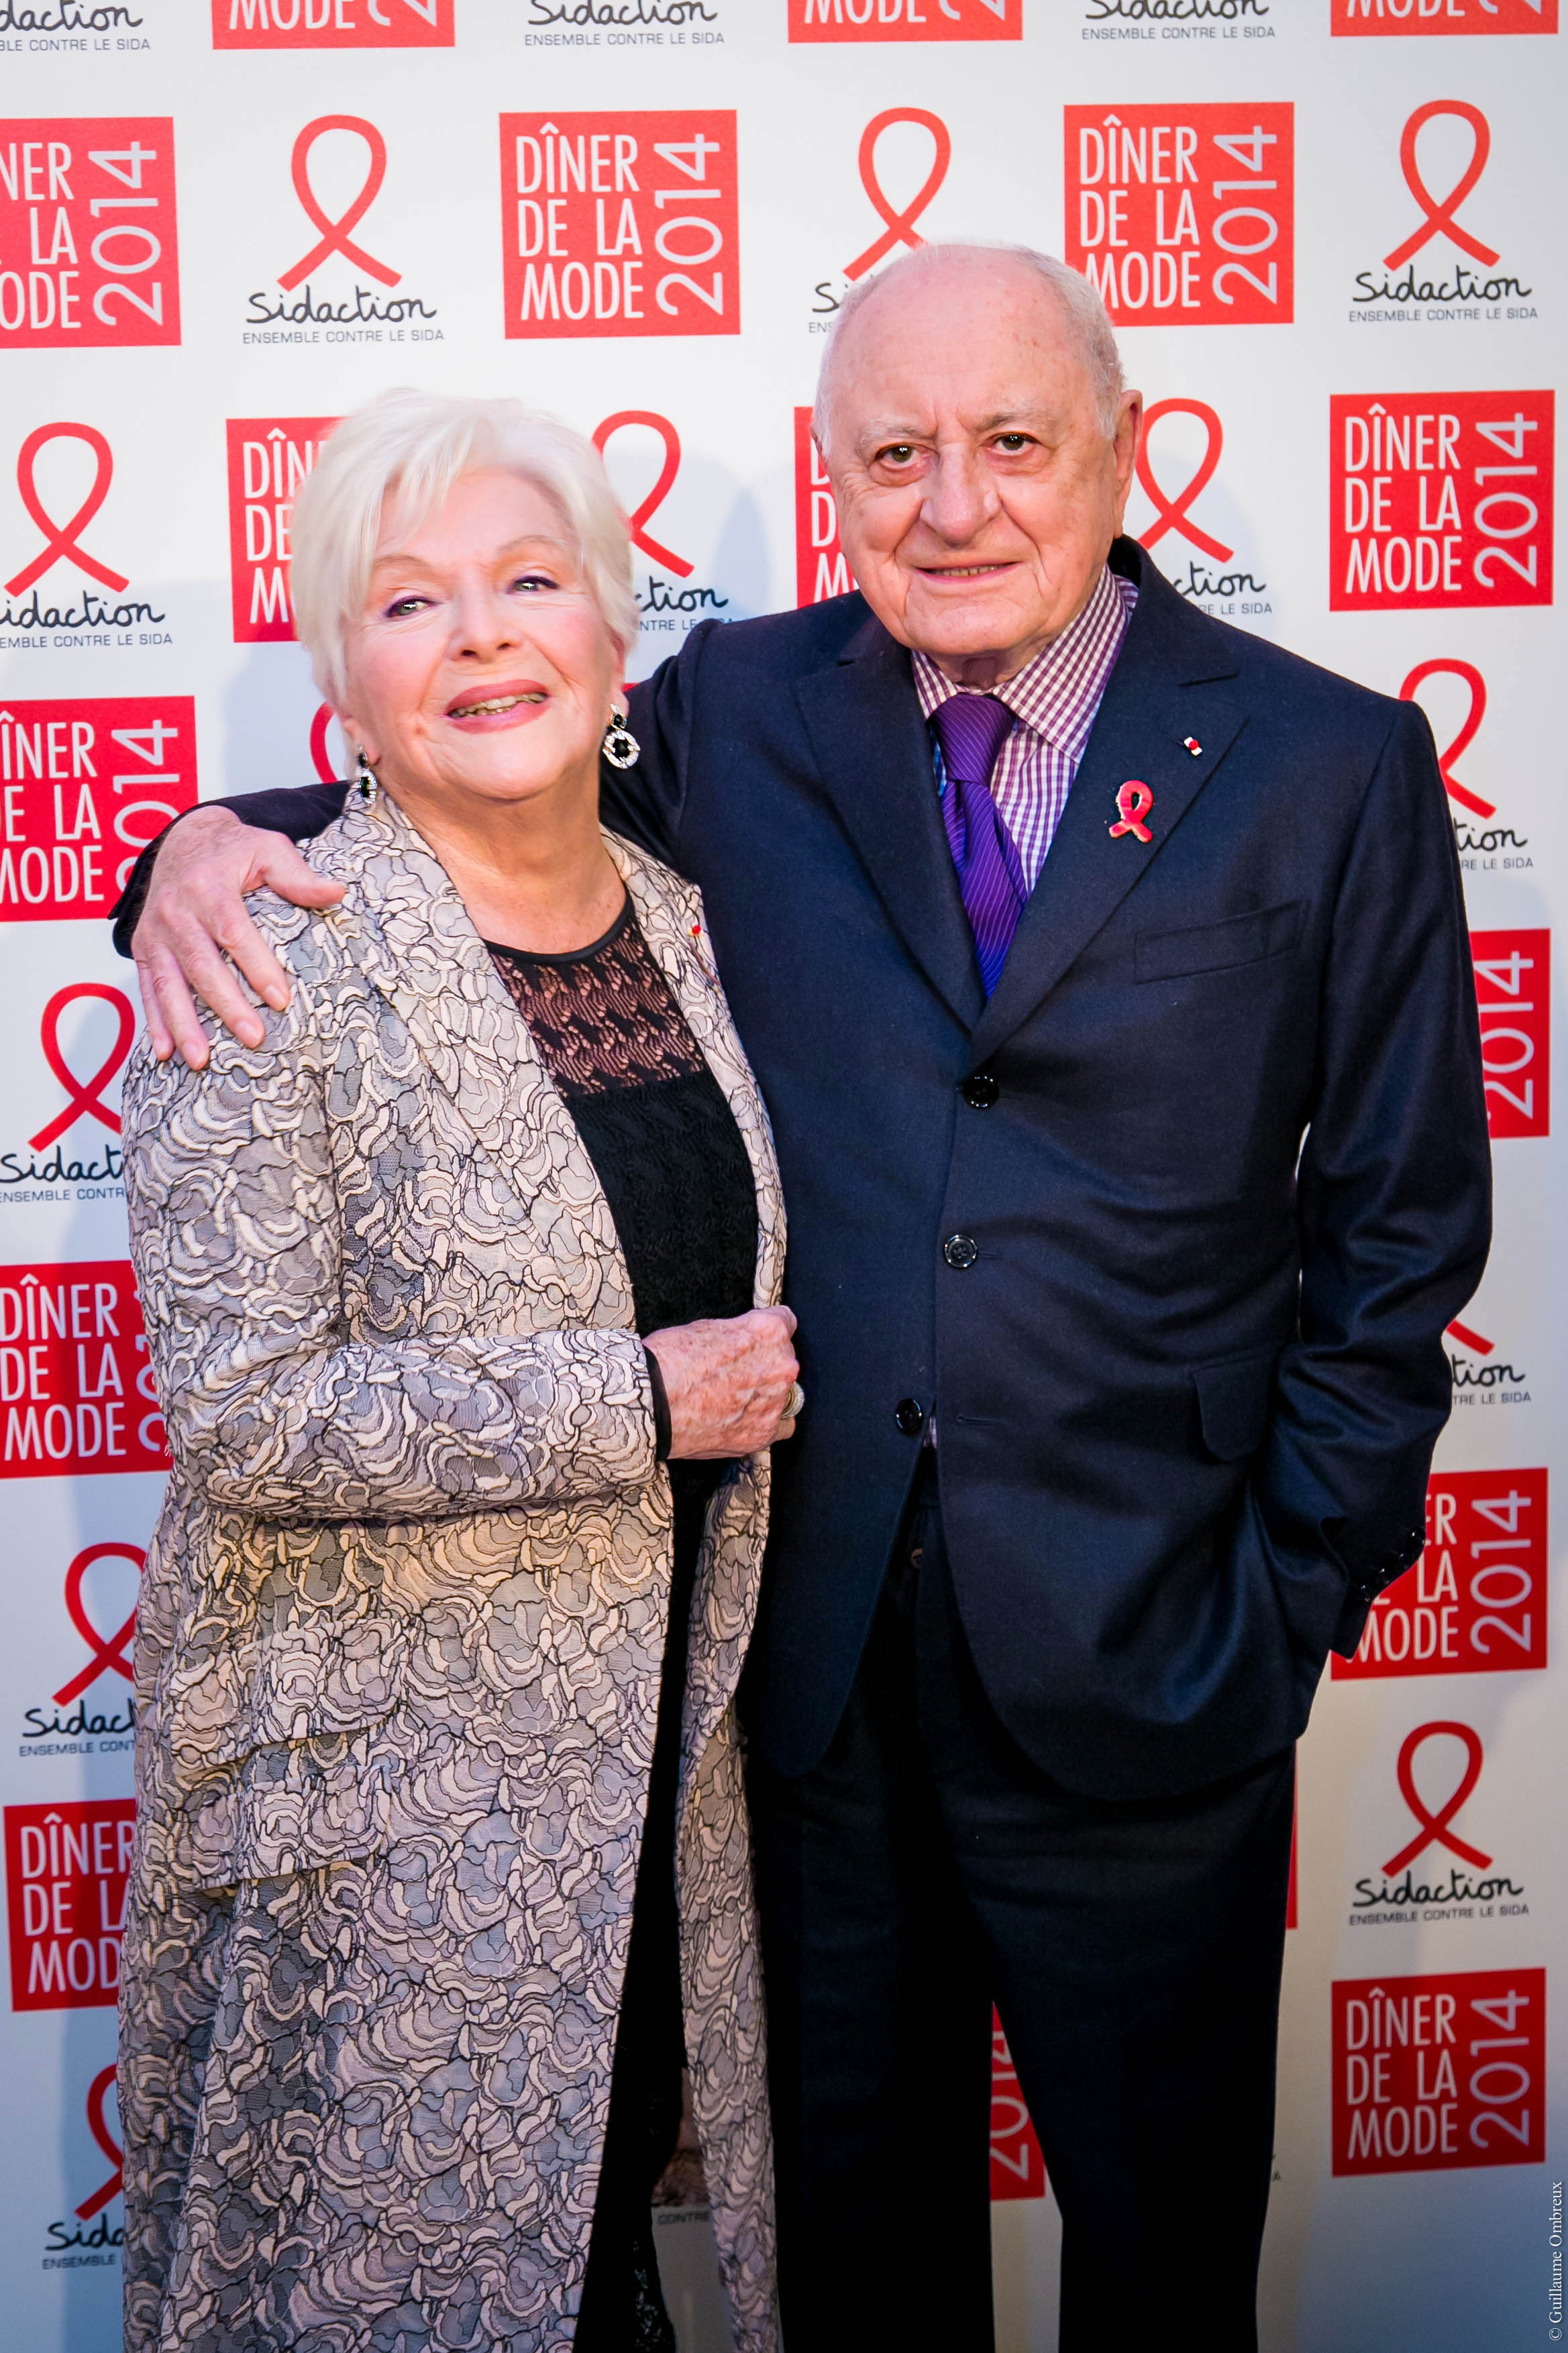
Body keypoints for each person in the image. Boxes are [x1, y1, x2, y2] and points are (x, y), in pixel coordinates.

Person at [119, 247, 1492, 2352]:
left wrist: (1287, 1590)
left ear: (1120, 450)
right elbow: (485, 781)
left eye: (1010, 442)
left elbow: (1399, 1231)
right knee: (853, 2279)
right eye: (893, 452)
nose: (953, 502)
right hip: (809, 1688)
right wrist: (193, 851)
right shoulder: (739, 712)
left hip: (1158, 1661)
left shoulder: (1327, 761)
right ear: (831, 474)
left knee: (1163, 2275)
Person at [117, 390, 799, 2353]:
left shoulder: (696, 922)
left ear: (613, 635)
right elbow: (241, 1414)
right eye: (410, 602)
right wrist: (639, 1402)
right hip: (383, 1825)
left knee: (602, 2273)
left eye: (528, 582)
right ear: (345, 675)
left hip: (664, 1795)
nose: (482, 637)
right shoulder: (266, 948)